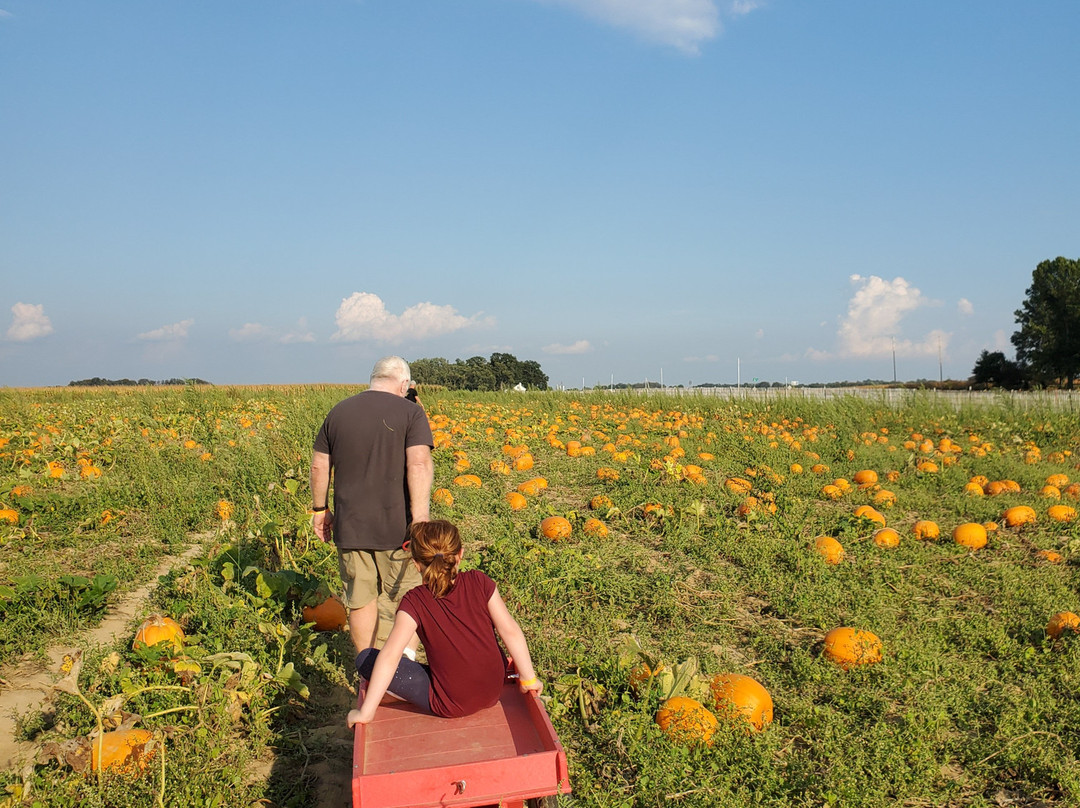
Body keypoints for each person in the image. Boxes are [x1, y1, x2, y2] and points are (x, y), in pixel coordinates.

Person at [347, 520, 543, 725]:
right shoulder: (479, 580)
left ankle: (388, 694)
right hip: (494, 690)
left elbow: (389, 657)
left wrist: (365, 714)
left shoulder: (414, 601)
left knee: (367, 659)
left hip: (452, 703)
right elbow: (509, 630)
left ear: (415, 563)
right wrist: (529, 679)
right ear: (460, 554)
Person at [310, 356, 435, 655]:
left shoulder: (339, 412)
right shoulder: (411, 413)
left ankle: (368, 669)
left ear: (374, 378)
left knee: (361, 599)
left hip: (351, 526)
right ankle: (400, 670)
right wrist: (420, 519)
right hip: (398, 529)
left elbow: (319, 466)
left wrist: (320, 510)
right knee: (404, 598)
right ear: (404, 384)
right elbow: (418, 463)